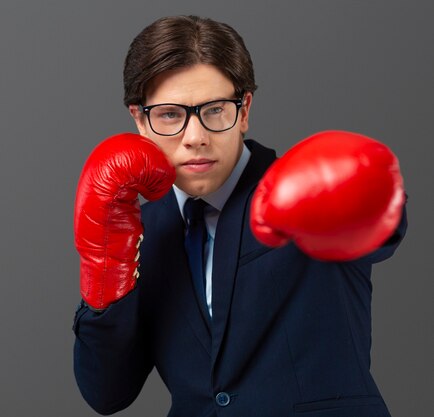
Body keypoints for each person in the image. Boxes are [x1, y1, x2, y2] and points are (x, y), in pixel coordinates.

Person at [72, 15, 407, 417]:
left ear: (244, 109)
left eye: (214, 109)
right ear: (140, 121)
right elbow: (107, 393)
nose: (195, 136)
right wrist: (104, 270)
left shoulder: (305, 193)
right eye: (169, 115)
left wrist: (370, 190)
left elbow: (384, 225)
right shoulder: (141, 232)